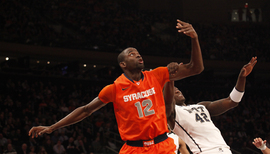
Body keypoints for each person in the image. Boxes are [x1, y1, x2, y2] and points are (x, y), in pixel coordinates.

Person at [29, 19, 204, 154]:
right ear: (123, 64)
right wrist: (52, 127)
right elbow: (85, 110)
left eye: (138, 53)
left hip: (162, 144)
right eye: (131, 54)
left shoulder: (157, 74)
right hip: (134, 149)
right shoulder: (114, 88)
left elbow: (196, 68)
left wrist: (194, 39)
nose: (138, 55)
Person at [164, 57, 257, 154]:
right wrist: (170, 77)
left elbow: (232, 101)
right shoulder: (171, 113)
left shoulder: (201, 106)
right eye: (173, 90)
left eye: (177, 88)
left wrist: (242, 78)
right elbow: (168, 101)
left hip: (225, 150)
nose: (177, 90)